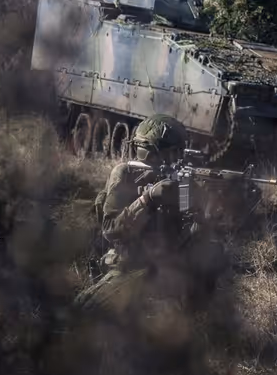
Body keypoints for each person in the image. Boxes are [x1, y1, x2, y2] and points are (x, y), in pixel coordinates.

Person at [76, 114, 193, 313]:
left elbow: (189, 226)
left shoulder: (182, 178)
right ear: (150, 152)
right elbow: (110, 229)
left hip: (169, 266)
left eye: (180, 152)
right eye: (173, 153)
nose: (178, 158)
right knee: (84, 310)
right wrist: (147, 199)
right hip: (130, 264)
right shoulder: (125, 174)